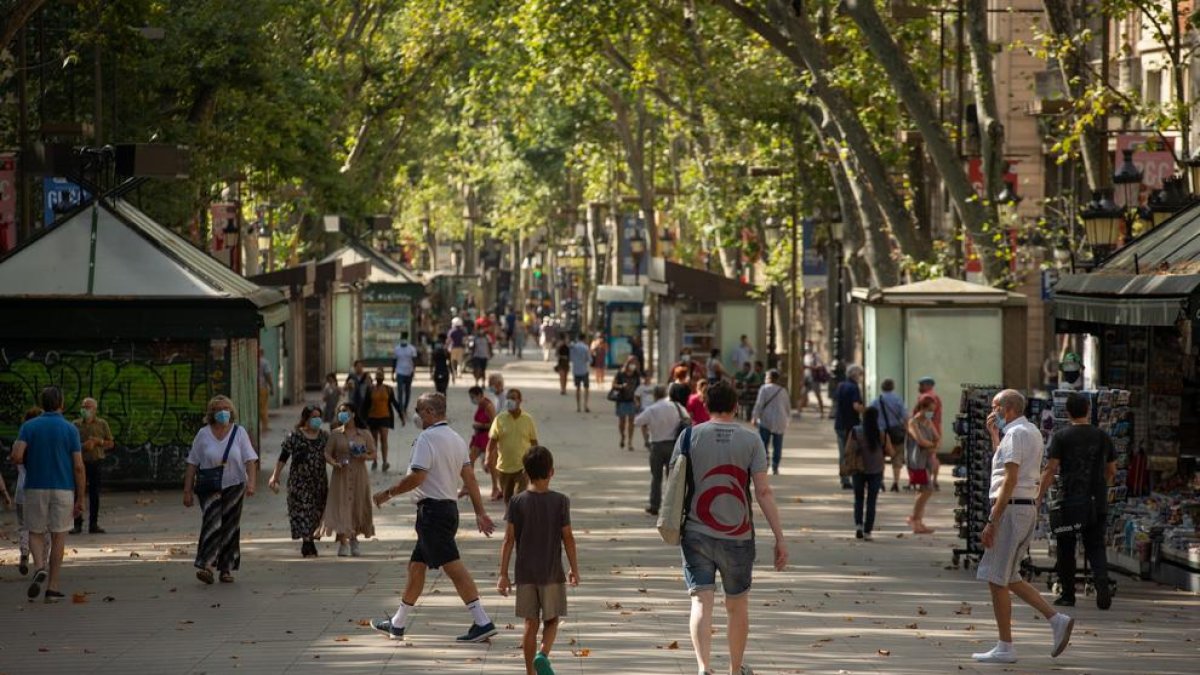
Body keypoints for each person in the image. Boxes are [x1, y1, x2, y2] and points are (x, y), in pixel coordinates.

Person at [672, 381, 787, 675]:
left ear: (706, 405)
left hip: (695, 532)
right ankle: (735, 670)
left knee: (701, 602)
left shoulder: (689, 436)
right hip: (738, 536)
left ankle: (703, 668)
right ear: (736, 406)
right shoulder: (751, 440)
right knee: (737, 606)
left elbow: (674, 482)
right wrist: (779, 537)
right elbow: (763, 492)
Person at [370, 392, 498, 643]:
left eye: (419, 411)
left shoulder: (426, 439)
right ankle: (398, 623)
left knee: (453, 566)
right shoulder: (457, 439)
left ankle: (482, 621)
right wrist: (480, 512)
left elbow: (417, 477)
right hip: (447, 511)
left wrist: (388, 493)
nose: (416, 416)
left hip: (432, 514)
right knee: (416, 566)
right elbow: (470, 478)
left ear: (430, 412)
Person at [972, 389, 1073, 665]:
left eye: (995, 407)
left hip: (1011, 509)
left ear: (1008, 409)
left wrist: (993, 520)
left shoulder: (1015, 434)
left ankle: (1005, 646)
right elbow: (1007, 467)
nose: (992, 412)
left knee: (996, 578)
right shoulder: (1029, 432)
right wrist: (995, 437)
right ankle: (1056, 619)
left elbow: (1010, 478)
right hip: (1024, 507)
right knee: (1010, 575)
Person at [497, 446, 579, 675]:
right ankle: (542, 655)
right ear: (551, 471)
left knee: (530, 623)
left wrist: (503, 574)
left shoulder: (516, 502)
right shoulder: (560, 501)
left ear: (525, 472)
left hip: (525, 574)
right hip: (551, 572)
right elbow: (568, 537)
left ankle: (529, 672)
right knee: (552, 620)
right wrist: (574, 569)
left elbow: (508, 540)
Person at [1037, 392, 1115, 610]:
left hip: (1069, 502)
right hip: (1096, 502)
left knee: (1066, 546)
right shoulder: (1103, 436)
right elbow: (1111, 470)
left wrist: (1039, 495)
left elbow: (1051, 468)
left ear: (1068, 412)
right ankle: (1102, 585)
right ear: (1088, 410)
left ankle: (1068, 594)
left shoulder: (1061, 437)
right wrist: (1102, 487)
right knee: (1096, 546)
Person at [11, 386, 85, 602]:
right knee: (59, 536)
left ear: (42, 404)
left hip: (35, 487)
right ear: (61, 403)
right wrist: (81, 497)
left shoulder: (29, 426)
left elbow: (17, 456)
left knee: (35, 532)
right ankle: (52, 588)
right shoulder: (71, 429)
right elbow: (78, 466)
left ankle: (39, 567)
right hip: (63, 489)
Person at [183, 395, 258, 585]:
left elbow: (250, 460)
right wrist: (187, 491)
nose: (223, 412)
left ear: (231, 412)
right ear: (211, 413)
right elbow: (192, 463)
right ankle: (207, 566)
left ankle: (226, 568)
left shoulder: (239, 432)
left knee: (230, 526)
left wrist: (251, 483)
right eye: (218, 409)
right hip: (209, 486)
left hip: (235, 484)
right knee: (212, 523)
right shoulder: (203, 434)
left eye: (226, 408)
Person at [268, 405, 330, 558]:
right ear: (305, 419)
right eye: (313, 417)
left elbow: (333, 453)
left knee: (316, 512)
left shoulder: (324, 437)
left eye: (319, 416)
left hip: (319, 482)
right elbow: (283, 457)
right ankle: (307, 543)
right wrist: (275, 475)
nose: (317, 420)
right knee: (303, 511)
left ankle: (310, 540)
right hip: (299, 482)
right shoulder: (294, 436)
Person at [320, 403, 377, 557]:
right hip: (341, 475)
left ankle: (354, 539)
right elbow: (327, 453)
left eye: (345, 411)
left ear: (353, 414)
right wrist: (334, 463)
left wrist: (364, 456)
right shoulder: (335, 434)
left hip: (359, 475)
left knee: (357, 505)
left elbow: (373, 454)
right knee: (341, 506)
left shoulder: (364, 434)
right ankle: (343, 542)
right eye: (340, 412)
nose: (342, 414)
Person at [634, 385, 689, 516]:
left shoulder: (651, 409)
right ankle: (673, 506)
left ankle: (654, 506)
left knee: (656, 477)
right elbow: (687, 418)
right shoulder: (676, 406)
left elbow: (637, 422)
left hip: (656, 446)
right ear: (665, 394)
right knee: (672, 478)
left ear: (654, 395)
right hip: (673, 446)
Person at [13, 407, 49, 577]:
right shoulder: (43, 443)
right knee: (44, 528)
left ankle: (24, 552)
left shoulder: (19, 442)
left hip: (22, 489)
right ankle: (42, 563)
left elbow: (16, 459)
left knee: (24, 525)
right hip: (41, 488)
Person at [487, 389, 540, 505]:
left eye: (513, 398)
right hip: (504, 466)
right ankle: (510, 514)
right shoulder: (499, 419)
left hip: (522, 466)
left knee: (520, 498)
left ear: (519, 400)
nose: (509, 401)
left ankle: (519, 515)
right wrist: (488, 458)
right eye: (508, 398)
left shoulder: (527, 419)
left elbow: (534, 443)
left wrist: (535, 461)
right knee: (508, 499)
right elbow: (492, 442)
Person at [72, 397, 114, 534]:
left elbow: (110, 443)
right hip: (80, 462)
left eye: (88, 407)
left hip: (96, 462)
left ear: (95, 409)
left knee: (94, 493)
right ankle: (77, 523)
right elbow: (69, 444)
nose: (85, 410)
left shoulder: (102, 424)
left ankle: (93, 524)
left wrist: (98, 442)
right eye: (83, 407)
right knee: (78, 492)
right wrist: (83, 446)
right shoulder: (75, 425)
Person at [848, 406, 890, 540]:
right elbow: (890, 451)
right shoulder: (881, 433)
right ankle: (868, 531)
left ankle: (859, 525)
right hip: (876, 469)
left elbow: (848, 449)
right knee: (872, 500)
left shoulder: (856, 431)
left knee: (858, 498)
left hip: (858, 469)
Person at [906, 395, 940, 534]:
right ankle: (914, 519)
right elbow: (920, 440)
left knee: (923, 490)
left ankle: (918, 521)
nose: (931, 413)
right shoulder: (913, 422)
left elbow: (937, 438)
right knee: (927, 489)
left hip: (927, 460)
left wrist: (933, 445)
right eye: (929, 410)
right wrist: (932, 445)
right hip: (917, 461)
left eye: (933, 411)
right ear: (922, 408)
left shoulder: (928, 422)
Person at [752, 369, 791, 475]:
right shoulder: (783, 390)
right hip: (780, 421)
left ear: (770, 378)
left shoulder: (764, 388)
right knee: (777, 445)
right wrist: (788, 420)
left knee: (763, 444)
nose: (765, 379)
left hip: (766, 420)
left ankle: (765, 464)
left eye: (766, 377)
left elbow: (759, 404)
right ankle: (775, 466)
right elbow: (787, 407)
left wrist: (754, 417)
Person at [872, 379, 908, 493]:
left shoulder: (876, 400)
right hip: (896, 432)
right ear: (893, 387)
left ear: (882, 387)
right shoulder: (898, 400)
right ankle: (895, 483)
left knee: (880, 457)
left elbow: (870, 415)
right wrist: (907, 429)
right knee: (897, 457)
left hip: (881, 433)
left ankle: (881, 482)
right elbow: (905, 416)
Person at [833, 365, 865, 490]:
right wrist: (866, 411)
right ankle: (852, 477)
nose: (861, 377)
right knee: (852, 452)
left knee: (842, 453)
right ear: (855, 375)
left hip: (839, 423)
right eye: (860, 375)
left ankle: (844, 478)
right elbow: (855, 406)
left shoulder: (841, 385)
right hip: (851, 425)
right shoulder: (854, 387)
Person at [365, 368, 403, 472]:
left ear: (383, 377)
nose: (379, 377)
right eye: (378, 375)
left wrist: (401, 415)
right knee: (374, 440)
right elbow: (365, 405)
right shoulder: (370, 389)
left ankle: (385, 462)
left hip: (385, 417)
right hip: (372, 417)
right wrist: (362, 420)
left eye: (381, 376)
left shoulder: (388, 389)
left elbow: (394, 403)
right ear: (375, 377)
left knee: (384, 439)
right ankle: (374, 460)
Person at [466, 386, 499, 501]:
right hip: (478, 437)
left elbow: (494, 423)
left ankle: (495, 488)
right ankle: (468, 485)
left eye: (473, 397)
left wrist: (481, 425)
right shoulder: (480, 405)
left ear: (480, 395)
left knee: (491, 464)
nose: (472, 400)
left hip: (487, 437)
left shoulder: (488, 406)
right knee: (469, 460)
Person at [913, 377, 943, 489]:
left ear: (928, 385)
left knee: (927, 457)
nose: (919, 387)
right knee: (933, 456)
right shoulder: (936, 397)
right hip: (934, 429)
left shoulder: (926, 398)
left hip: (926, 431)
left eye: (921, 385)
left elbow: (925, 416)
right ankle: (933, 480)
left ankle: (925, 482)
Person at [611, 359, 640, 450]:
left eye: (634, 364)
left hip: (632, 400)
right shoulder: (620, 374)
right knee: (622, 421)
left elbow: (639, 388)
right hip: (622, 400)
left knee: (631, 421)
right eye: (631, 364)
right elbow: (613, 385)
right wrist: (621, 386)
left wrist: (638, 400)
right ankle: (623, 436)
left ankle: (630, 442)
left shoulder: (636, 374)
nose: (633, 366)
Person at [393, 337, 418, 417]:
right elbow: (394, 361)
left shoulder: (411, 349)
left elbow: (414, 360)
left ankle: (405, 407)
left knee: (407, 390)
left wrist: (414, 371)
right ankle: (401, 409)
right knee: (400, 391)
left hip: (409, 372)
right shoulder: (397, 349)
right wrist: (392, 372)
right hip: (399, 372)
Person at [803, 342, 828, 417]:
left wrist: (809, 367)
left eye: (808, 345)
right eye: (806, 345)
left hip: (814, 379)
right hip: (807, 378)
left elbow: (820, 366)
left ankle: (822, 413)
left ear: (811, 346)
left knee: (817, 395)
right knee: (803, 394)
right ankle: (798, 411)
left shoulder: (815, 356)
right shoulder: (805, 356)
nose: (807, 347)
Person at [345, 360, 372, 427]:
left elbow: (371, 387)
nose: (359, 368)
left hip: (364, 402)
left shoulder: (366, 376)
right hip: (353, 401)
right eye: (357, 366)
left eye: (361, 366)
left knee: (364, 421)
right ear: (354, 367)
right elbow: (345, 388)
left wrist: (368, 381)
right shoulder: (351, 376)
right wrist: (348, 386)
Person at [569, 334, 591, 413]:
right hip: (584, 370)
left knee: (577, 388)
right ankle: (585, 405)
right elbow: (589, 359)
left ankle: (578, 406)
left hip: (576, 370)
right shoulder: (586, 347)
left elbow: (571, 358)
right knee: (586, 388)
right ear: (584, 339)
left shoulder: (573, 347)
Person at [634, 371, 656, 450]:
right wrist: (637, 403)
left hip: (653, 408)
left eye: (649, 376)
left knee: (652, 425)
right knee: (644, 425)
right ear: (644, 378)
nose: (647, 378)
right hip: (644, 408)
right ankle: (646, 440)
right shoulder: (641, 387)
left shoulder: (654, 387)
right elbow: (636, 396)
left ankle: (651, 439)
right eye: (646, 376)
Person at [258, 347, 274, 432]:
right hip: (262, 387)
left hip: (253, 389)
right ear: (262, 353)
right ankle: (264, 426)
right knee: (263, 407)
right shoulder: (264, 362)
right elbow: (268, 375)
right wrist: (271, 387)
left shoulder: (252, 361)